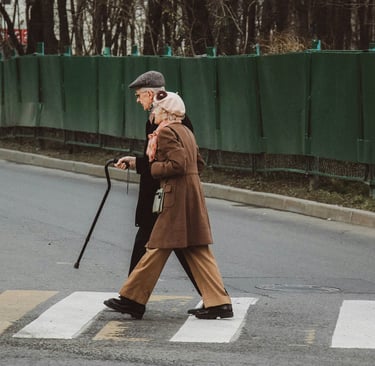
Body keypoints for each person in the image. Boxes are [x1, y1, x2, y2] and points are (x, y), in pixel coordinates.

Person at [104, 91, 233, 320]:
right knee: (196, 249)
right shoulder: (184, 131)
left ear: (165, 112)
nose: (152, 112)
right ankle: (220, 303)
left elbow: (178, 164)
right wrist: (138, 162)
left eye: (155, 109)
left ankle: (133, 299)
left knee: (156, 247)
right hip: (191, 195)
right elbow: (198, 163)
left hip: (175, 198)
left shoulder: (165, 132)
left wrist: (154, 170)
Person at [114, 70, 200, 295]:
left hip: (163, 195)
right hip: (161, 194)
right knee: (174, 247)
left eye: (140, 96)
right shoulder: (158, 120)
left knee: (177, 247)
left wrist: (141, 165)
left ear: (151, 95)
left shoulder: (167, 122)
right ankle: (130, 298)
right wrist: (136, 162)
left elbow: (173, 161)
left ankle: (130, 298)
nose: (138, 100)